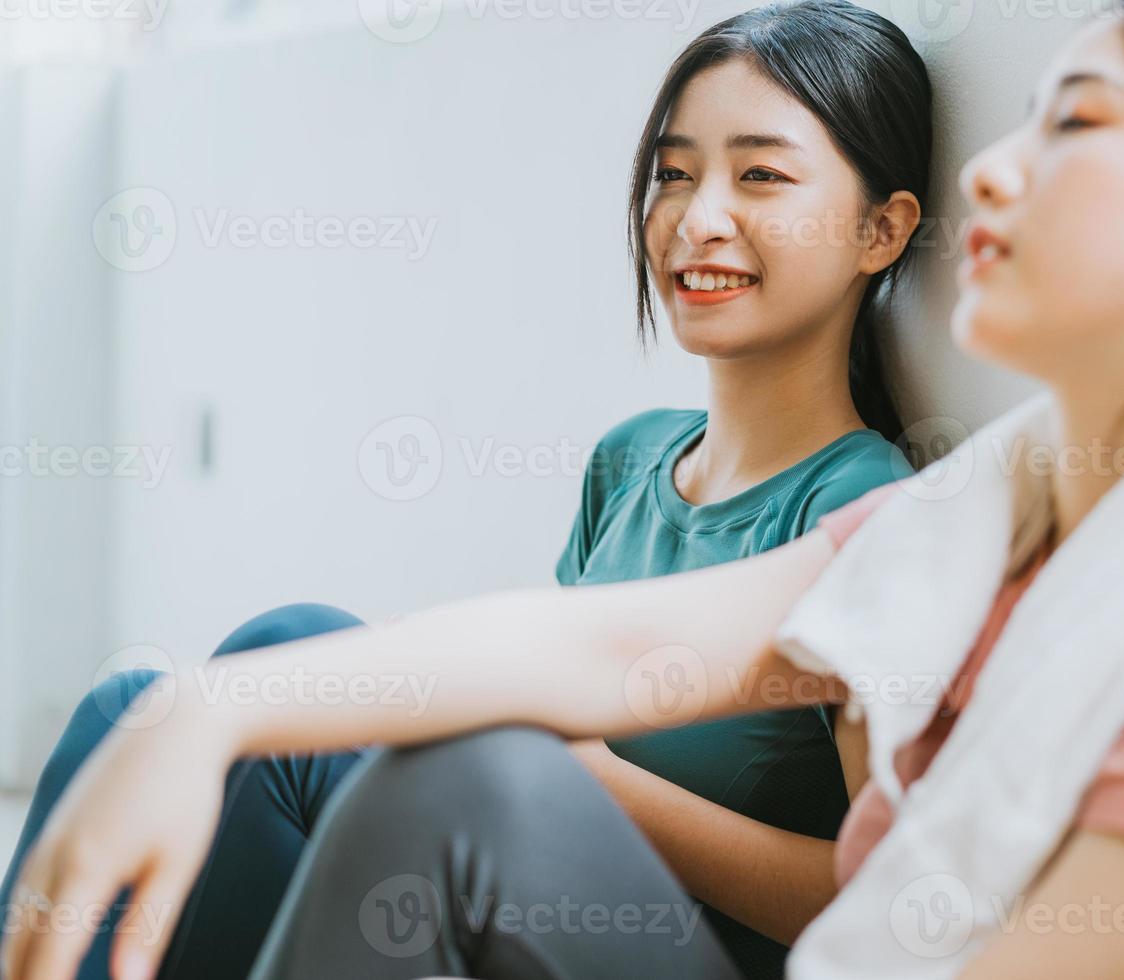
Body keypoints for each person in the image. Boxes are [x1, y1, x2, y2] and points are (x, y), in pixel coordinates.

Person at [7, 1, 1124, 978]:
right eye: (671, 172)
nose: (995, 176)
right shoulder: (968, 530)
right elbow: (588, 646)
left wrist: (554, 766)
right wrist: (206, 711)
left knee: (479, 783)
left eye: (1072, 125)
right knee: (258, 683)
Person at [0, 3, 930, 977]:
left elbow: (883, 900)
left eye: (761, 176)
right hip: (518, 918)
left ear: (881, 228)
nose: (697, 218)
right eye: (673, 173)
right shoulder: (632, 461)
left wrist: (601, 787)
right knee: (196, 683)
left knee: (490, 776)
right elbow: (560, 688)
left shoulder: (866, 510)